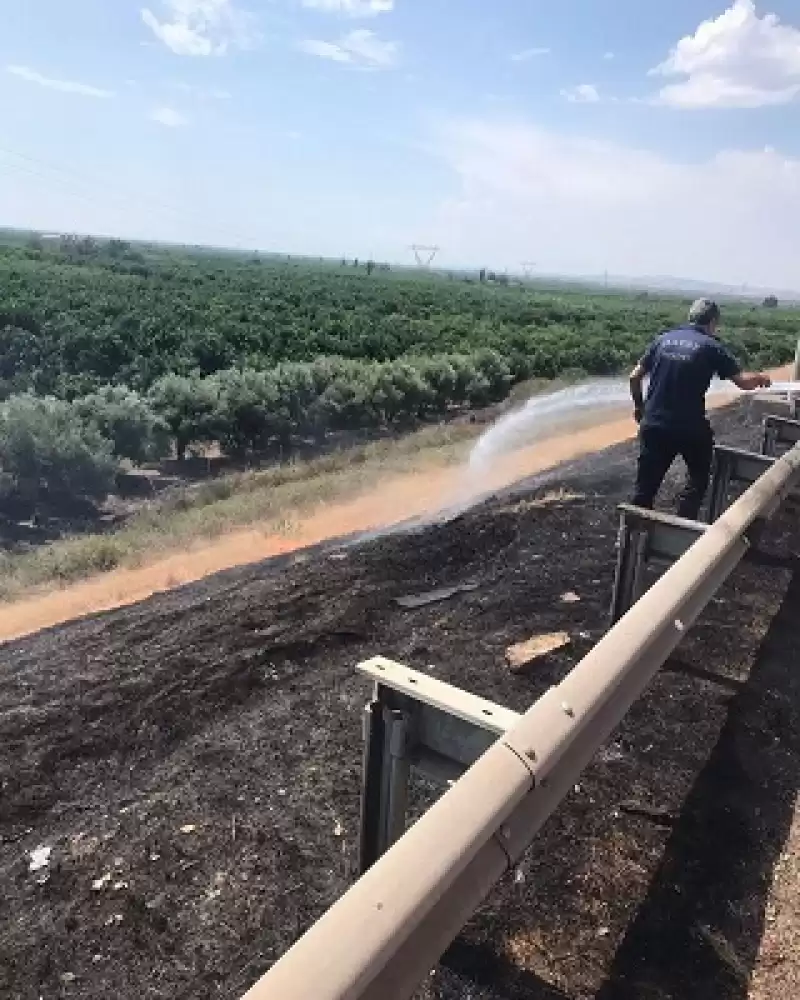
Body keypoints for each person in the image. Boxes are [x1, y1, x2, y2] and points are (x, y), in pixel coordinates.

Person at [629, 298, 771, 521]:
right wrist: (761, 378)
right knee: (698, 477)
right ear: (713, 321)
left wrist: (639, 408)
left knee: (645, 488)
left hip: (654, 424)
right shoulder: (711, 346)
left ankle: (631, 538)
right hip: (689, 427)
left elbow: (634, 376)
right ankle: (684, 527)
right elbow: (743, 382)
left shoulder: (662, 340)